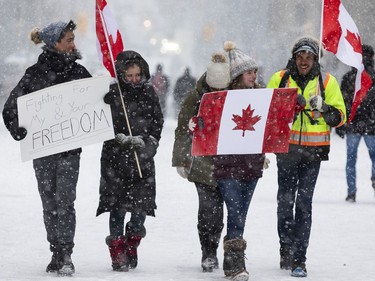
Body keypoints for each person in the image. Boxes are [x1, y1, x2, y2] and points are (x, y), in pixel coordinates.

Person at [2, 20, 91, 276]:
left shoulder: (79, 73)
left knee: (65, 202)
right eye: (69, 40)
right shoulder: (34, 73)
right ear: (55, 43)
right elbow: (11, 107)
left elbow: (96, 104)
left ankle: (65, 253)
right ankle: (55, 250)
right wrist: (17, 128)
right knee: (49, 202)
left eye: (74, 39)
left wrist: (104, 101)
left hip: (69, 152)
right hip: (41, 151)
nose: (74, 44)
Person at [267, 36, 346, 277]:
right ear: (294, 57)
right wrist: (289, 103)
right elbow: (267, 110)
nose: (304, 61)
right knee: (284, 203)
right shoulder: (280, 79)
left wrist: (324, 107)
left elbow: (340, 118)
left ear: (315, 59)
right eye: (300, 56)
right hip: (287, 151)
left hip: (314, 152)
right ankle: (285, 249)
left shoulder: (328, 81)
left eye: (309, 57)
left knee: (303, 203)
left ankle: (300, 257)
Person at [96, 50, 164, 272]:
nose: (134, 79)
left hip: (142, 161)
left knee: (140, 210)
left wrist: (148, 143)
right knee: (117, 207)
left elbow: (157, 122)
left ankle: (132, 242)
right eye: (129, 76)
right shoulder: (112, 93)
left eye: (138, 75)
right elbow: (99, 123)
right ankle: (117, 251)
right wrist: (118, 139)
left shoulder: (149, 92)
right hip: (115, 162)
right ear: (121, 75)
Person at [212, 41, 266, 281]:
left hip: (252, 164)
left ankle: (231, 259)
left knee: (240, 213)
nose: (253, 75)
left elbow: (272, 126)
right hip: (227, 164)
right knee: (235, 211)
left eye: (254, 71)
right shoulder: (221, 99)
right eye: (248, 72)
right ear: (236, 76)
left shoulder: (263, 99)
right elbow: (210, 127)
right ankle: (234, 266)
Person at [172, 52, 230, 272]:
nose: (217, 93)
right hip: (202, 163)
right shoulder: (194, 98)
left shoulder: (237, 94)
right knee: (208, 211)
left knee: (226, 212)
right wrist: (181, 159)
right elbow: (182, 129)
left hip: (229, 163)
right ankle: (208, 251)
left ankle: (229, 251)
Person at [335, 44, 375, 203]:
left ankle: (351, 192)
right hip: (372, 125)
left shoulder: (349, 77)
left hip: (353, 124)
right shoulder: (373, 77)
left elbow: (343, 101)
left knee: (351, 159)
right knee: (374, 157)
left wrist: (340, 123)